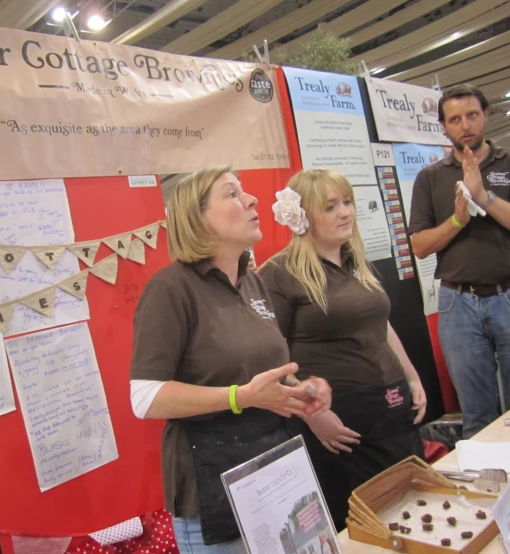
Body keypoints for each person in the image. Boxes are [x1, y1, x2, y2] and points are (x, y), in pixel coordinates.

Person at [129, 167, 332, 553]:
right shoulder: (170, 288)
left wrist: (301, 389)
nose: (252, 200)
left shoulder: (252, 281)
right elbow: (145, 397)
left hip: (274, 475)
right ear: (198, 217)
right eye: (232, 193)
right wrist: (241, 397)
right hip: (213, 488)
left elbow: (260, 375)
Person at [258, 169, 426, 530]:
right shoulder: (279, 273)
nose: (346, 212)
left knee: (412, 509)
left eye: (347, 202)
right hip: (339, 419)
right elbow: (273, 354)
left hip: (392, 409)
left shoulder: (355, 261)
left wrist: (412, 377)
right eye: (331, 206)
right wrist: (313, 415)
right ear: (303, 217)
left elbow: (381, 327)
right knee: (361, 524)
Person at [409, 83, 510, 438]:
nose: (465, 125)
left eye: (472, 115)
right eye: (455, 119)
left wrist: (483, 196)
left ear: (486, 116)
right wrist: (458, 219)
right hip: (458, 304)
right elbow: (420, 246)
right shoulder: (430, 177)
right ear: (443, 126)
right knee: (476, 415)